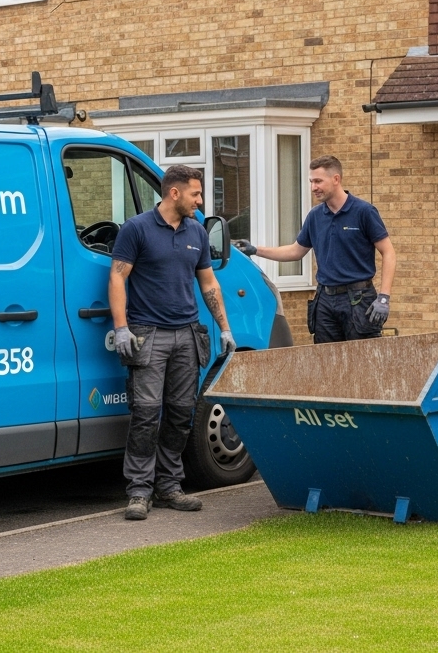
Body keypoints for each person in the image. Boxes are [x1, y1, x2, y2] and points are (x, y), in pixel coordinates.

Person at [110, 164, 236, 521]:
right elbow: (118, 279)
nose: (200, 200)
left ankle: (169, 487)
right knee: (146, 414)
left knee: (181, 414)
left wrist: (224, 328)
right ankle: (138, 491)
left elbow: (209, 283)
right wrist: (121, 328)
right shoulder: (136, 229)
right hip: (147, 335)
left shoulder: (196, 230)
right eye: (195, 193)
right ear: (174, 193)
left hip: (187, 335)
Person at [233, 155, 396, 343]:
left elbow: (388, 252)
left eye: (318, 181)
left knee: (361, 362)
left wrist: (384, 297)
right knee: (325, 364)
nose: (313, 188)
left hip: (358, 301)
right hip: (325, 301)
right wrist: (255, 250)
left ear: (336, 179)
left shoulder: (363, 212)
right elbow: (296, 251)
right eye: (311, 182)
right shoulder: (315, 215)